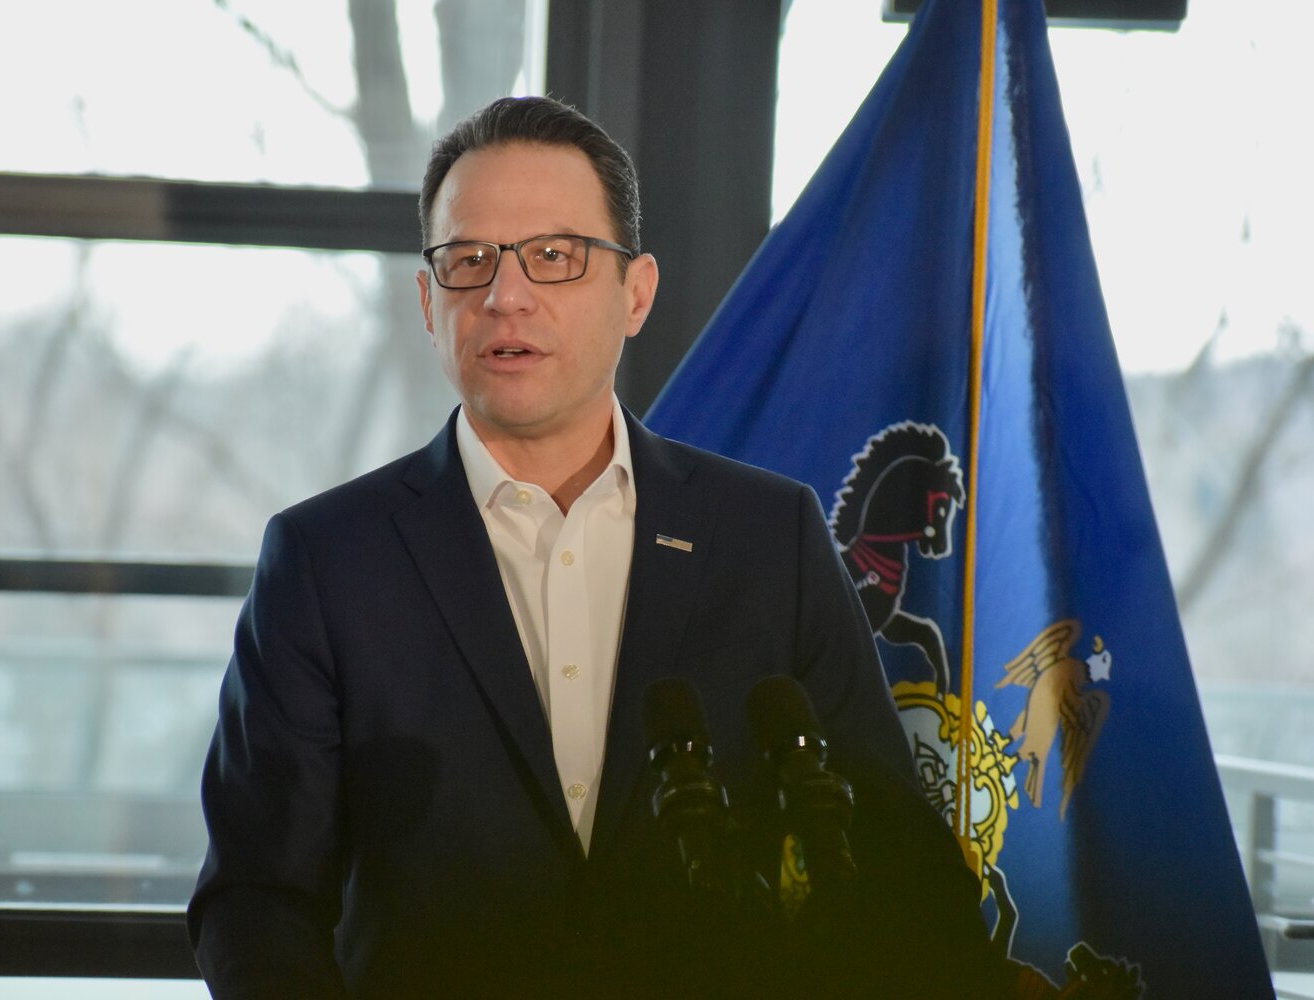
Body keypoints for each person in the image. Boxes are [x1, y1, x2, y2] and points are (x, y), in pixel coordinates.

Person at [189, 96, 1005, 999]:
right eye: (469, 260)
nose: (506, 295)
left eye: (554, 256)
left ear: (636, 293)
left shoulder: (769, 537)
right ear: (428, 301)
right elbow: (256, 899)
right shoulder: (327, 559)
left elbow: (899, 868)